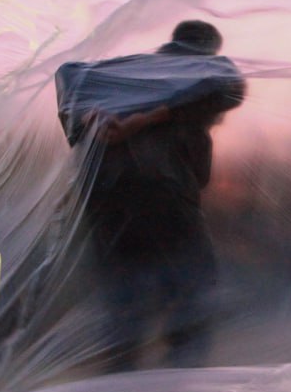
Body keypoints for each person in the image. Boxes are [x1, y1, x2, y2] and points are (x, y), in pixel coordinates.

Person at [60, 20, 246, 372]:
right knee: (192, 287)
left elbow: (68, 74)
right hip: (163, 190)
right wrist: (145, 119)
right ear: (208, 47)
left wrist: (92, 117)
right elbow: (230, 86)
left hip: (106, 196)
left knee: (122, 296)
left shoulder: (129, 73)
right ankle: (182, 381)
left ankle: (119, 382)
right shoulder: (202, 68)